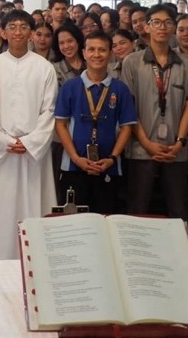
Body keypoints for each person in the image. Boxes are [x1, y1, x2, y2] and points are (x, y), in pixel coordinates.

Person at [0, 10, 57, 260]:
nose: (17, 32)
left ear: (31, 32)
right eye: (12, 27)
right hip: (2, 152)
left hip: (33, 152)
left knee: (33, 209)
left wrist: (29, 142)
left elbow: (49, 111)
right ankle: (0, 260)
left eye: (23, 26)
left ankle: (34, 264)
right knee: (2, 210)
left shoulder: (44, 68)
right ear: (3, 32)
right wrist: (3, 140)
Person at [121, 3, 188, 218]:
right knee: (137, 209)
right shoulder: (132, 62)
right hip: (141, 149)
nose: (162, 27)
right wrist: (146, 143)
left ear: (174, 27)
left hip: (176, 150)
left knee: (179, 211)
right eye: (156, 22)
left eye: (167, 22)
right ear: (146, 27)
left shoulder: (187, 64)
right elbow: (129, 108)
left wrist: (180, 142)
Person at [54, 30, 135, 214]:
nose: (96, 55)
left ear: (110, 53)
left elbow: (126, 128)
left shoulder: (120, 89)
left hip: (109, 167)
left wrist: (112, 158)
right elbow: (60, 124)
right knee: (74, 222)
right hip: (74, 166)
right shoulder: (70, 87)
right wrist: (76, 158)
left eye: (102, 50)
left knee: (106, 219)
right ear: (83, 53)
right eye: (91, 49)